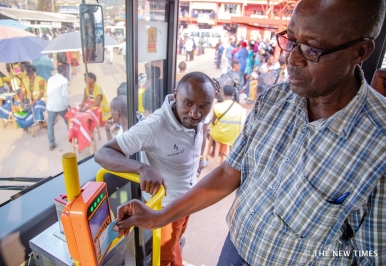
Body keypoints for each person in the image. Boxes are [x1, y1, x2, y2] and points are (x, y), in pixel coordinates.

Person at [111, 0, 386, 265]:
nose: (290, 58)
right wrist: (159, 217)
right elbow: (231, 172)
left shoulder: (379, 147)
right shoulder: (274, 101)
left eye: (312, 49)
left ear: (360, 52)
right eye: (290, 40)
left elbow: (371, 256)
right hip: (233, 249)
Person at [94, 72, 217, 265]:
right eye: (188, 104)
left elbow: (201, 127)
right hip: (167, 207)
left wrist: (199, 159)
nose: (195, 114)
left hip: (188, 199)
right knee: (166, 257)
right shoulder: (154, 127)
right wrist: (141, 168)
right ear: (176, 96)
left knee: (176, 241)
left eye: (204, 106)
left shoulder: (198, 115)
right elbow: (102, 154)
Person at [209, 84, 245, 154]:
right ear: (233, 94)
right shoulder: (240, 108)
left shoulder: (218, 106)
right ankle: (223, 151)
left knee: (208, 130)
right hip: (234, 137)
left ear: (223, 94)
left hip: (221, 136)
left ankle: (216, 148)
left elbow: (213, 123)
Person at [46, 65, 70, 151]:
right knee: (68, 121)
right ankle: (71, 136)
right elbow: (65, 95)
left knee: (50, 124)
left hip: (51, 105)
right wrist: (68, 104)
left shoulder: (50, 79)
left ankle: (51, 143)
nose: (67, 72)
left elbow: (48, 92)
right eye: (66, 70)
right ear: (63, 71)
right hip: (61, 105)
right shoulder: (64, 80)